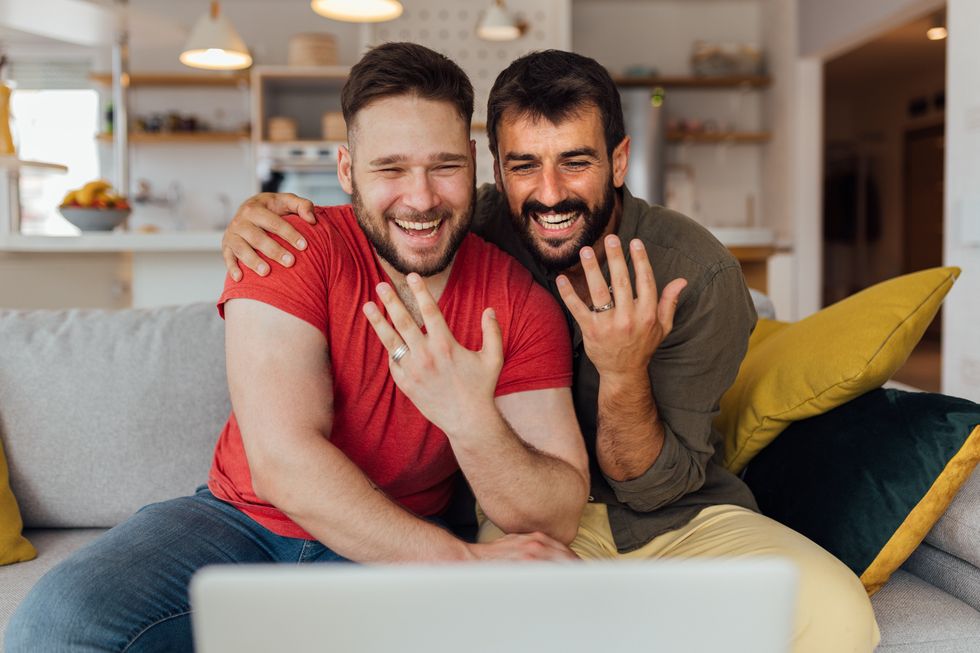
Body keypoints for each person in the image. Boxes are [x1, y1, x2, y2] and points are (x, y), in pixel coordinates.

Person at [224, 49, 881, 652]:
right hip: (526, 519)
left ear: (618, 162)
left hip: (680, 514)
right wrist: (256, 215)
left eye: (576, 161)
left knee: (838, 614)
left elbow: (655, 486)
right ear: (494, 170)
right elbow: (394, 213)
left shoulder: (698, 276)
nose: (548, 193)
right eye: (523, 166)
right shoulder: (470, 228)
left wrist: (622, 372)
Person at [4, 43, 591, 653]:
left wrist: (469, 419)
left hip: (396, 540)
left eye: (444, 166)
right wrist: (459, 563)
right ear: (347, 170)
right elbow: (283, 463)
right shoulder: (288, 247)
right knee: (53, 628)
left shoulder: (518, 301)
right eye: (390, 169)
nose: (421, 199)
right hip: (238, 524)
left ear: (473, 163)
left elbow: (552, 514)